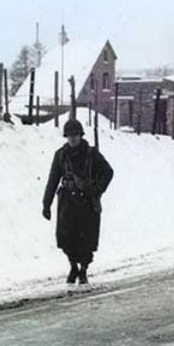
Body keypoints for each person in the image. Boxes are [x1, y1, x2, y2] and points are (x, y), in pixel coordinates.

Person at [42, 118, 114, 284]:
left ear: (81, 135)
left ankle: (83, 269)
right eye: (69, 135)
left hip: (87, 202)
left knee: (86, 239)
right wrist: (46, 204)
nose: (73, 138)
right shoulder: (60, 155)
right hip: (67, 202)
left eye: (75, 135)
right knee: (66, 238)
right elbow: (53, 180)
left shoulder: (91, 154)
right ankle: (73, 265)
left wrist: (97, 190)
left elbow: (108, 172)